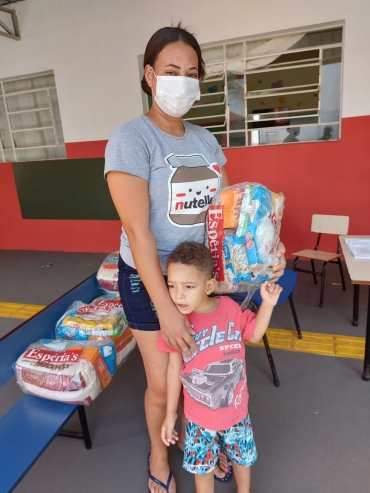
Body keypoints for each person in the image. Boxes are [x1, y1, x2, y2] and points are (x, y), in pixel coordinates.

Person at [104, 24, 286, 493]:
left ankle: (206, 439)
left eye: (191, 73)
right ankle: (161, 454)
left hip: (203, 278)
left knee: (205, 371)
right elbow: (138, 231)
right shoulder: (131, 140)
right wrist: (166, 307)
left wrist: (266, 251)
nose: (181, 81)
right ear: (149, 75)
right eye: (170, 71)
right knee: (165, 382)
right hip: (152, 281)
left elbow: (231, 216)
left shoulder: (206, 142)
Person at [159, 241, 282, 493]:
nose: (178, 295)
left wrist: (267, 303)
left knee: (241, 459)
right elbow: (173, 371)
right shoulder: (175, 323)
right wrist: (171, 414)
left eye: (188, 287)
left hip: (237, 414)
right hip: (196, 420)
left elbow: (255, 334)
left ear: (209, 286)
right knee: (202, 469)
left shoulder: (229, 308)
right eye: (171, 286)